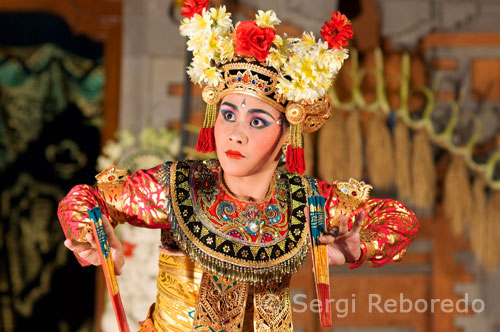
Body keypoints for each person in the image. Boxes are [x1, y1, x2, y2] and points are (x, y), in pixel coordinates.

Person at [59, 2, 419, 332]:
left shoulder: (304, 202)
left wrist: (360, 247)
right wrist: (91, 232)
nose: (235, 134)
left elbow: (398, 220)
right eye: (228, 115)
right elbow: (88, 199)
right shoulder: (179, 187)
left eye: (258, 122)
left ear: (286, 134)